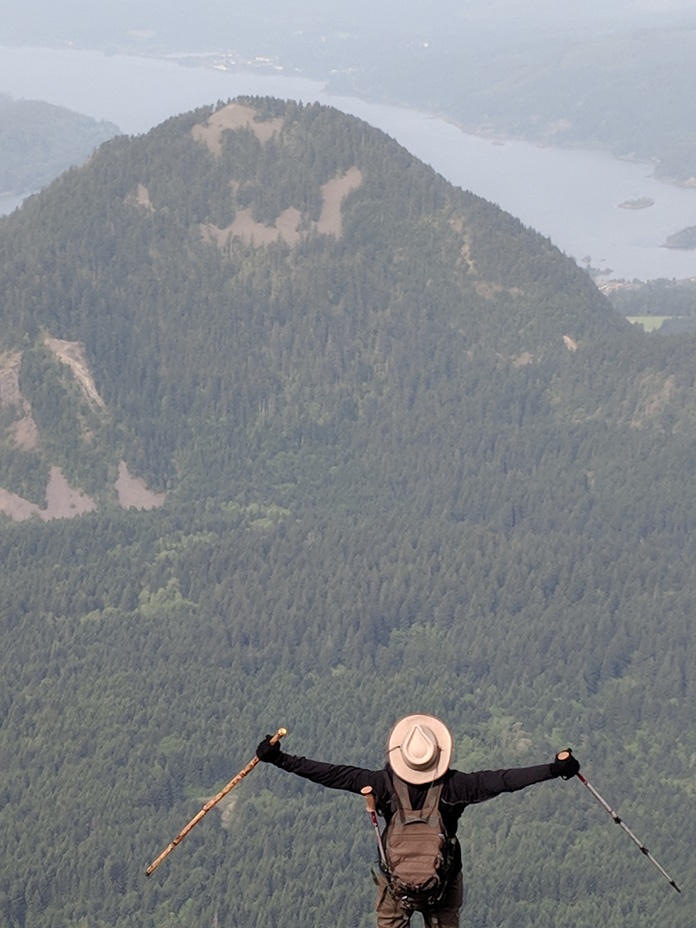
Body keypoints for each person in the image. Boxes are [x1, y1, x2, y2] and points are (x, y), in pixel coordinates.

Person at [256, 713, 580, 928]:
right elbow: (505, 780)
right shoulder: (456, 787)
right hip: (442, 882)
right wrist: (554, 769)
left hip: (394, 883)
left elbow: (331, 774)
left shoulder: (381, 785)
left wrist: (279, 759)